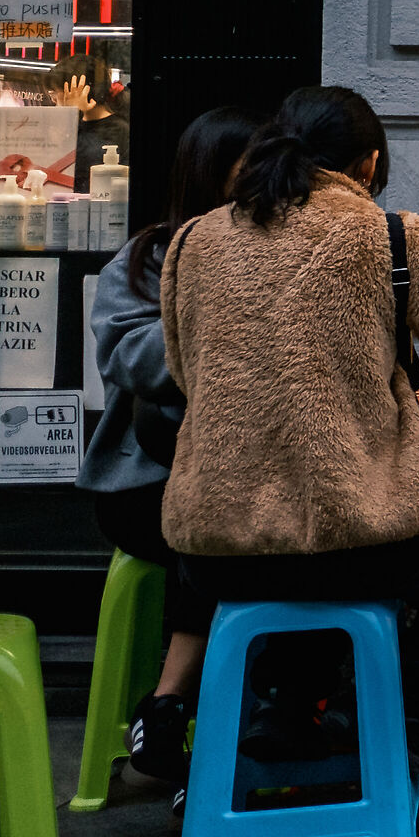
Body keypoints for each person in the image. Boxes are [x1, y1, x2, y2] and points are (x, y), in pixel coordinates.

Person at [159, 86, 419, 771]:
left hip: (216, 555)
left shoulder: (193, 241)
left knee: (308, 552)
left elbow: (190, 379)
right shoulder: (389, 235)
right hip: (363, 545)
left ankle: (286, 709)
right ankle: (400, 711)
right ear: (368, 164)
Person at [75, 105, 260, 799]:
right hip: (143, 483)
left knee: (263, 528)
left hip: (240, 478)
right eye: (249, 165)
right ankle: (202, 738)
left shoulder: (278, 254)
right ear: (212, 172)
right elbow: (129, 356)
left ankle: (185, 724)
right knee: (227, 527)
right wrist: (221, 322)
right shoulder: (147, 258)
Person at [50, 48, 130, 167]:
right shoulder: (77, 123)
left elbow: (75, 163)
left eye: (55, 92)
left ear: (81, 90)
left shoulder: (117, 130)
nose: (53, 98)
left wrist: (72, 115)